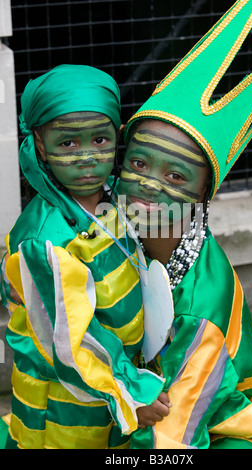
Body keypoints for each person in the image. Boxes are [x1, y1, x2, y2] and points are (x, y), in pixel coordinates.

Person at [117, 0, 252, 449]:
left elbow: (173, 439)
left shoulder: (200, 307)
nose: (148, 184)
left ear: (203, 196)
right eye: (138, 161)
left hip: (232, 419)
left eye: (175, 175)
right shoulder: (115, 232)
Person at [0, 64, 170, 449]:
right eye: (68, 144)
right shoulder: (44, 242)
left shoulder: (113, 197)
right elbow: (69, 342)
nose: (87, 158)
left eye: (99, 140)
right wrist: (128, 393)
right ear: (40, 144)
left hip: (116, 380)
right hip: (67, 401)